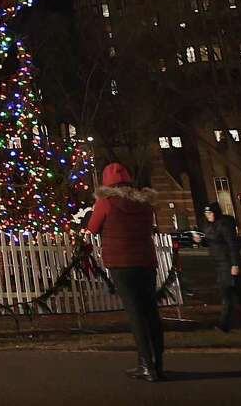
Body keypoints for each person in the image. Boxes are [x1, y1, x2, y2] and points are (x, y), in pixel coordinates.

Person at [86, 162, 164, 382]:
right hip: (146, 261)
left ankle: (146, 365)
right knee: (150, 312)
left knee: (135, 313)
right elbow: (148, 227)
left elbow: (92, 228)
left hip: (121, 262)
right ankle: (157, 363)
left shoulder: (106, 203)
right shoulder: (145, 203)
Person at [197, 203, 241, 332]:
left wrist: (235, 264)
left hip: (227, 264)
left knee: (228, 294)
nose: (208, 216)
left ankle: (224, 324)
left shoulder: (224, 226)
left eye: (210, 213)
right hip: (220, 264)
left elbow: (232, 246)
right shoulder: (210, 226)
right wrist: (201, 241)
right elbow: (212, 241)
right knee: (239, 295)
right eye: (206, 214)